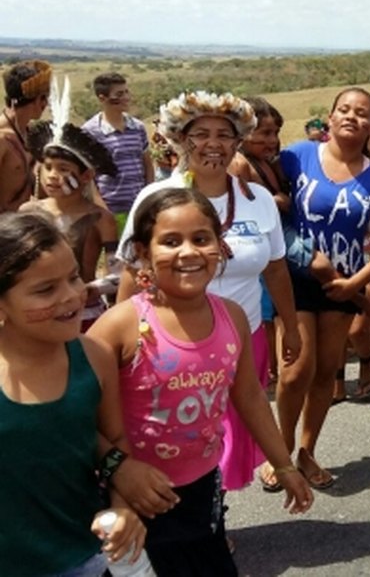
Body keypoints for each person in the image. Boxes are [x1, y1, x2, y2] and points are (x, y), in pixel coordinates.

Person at [91, 187, 313, 575]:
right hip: (135, 497)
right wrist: (119, 471)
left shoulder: (232, 317)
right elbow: (75, 417)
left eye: (201, 238)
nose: (188, 252)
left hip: (204, 490)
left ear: (220, 246)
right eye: (170, 241)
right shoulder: (120, 327)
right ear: (143, 251)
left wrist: (284, 465)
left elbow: (249, 396)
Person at [114, 90, 302, 494]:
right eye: (201, 134)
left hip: (243, 335)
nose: (213, 144)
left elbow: (275, 267)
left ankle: (214, 515)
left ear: (238, 143)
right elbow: (132, 272)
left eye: (225, 134)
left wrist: (291, 324)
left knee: (231, 430)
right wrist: (122, 340)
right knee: (180, 432)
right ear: (181, 139)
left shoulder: (259, 200)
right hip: (168, 343)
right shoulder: (154, 198)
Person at [0, 212, 146, 577]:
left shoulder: (94, 356)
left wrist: (123, 503)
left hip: (85, 557)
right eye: (45, 289)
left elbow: (113, 441)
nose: (71, 296)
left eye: (74, 277)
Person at [276, 87, 370, 489]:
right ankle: (280, 454)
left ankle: (307, 451)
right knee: (296, 371)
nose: (352, 116)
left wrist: (356, 284)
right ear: (329, 118)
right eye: (344, 110)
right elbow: (268, 204)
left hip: (342, 288)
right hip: (295, 280)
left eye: (362, 113)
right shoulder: (296, 156)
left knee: (325, 374)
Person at [23, 114, 119, 330]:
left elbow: (117, 276)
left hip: (85, 315)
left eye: (63, 168)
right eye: (47, 167)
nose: (52, 176)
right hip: (39, 314)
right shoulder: (28, 213)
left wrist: (90, 290)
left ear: (86, 176)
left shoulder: (101, 219)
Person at [228, 96, 292, 386]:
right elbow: (244, 206)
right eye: (265, 133)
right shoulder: (240, 165)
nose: (273, 140)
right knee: (264, 316)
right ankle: (269, 371)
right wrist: (278, 200)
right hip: (257, 252)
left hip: (272, 246)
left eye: (276, 133)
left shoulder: (266, 163)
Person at [82, 73, 153, 232]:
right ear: (102, 98)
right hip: (110, 208)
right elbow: (88, 176)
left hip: (139, 205)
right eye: (119, 94)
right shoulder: (90, 132)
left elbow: (147, 164)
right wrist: (101, 207)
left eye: (126, 92)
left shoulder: (138, 127)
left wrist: (148, 197)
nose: (126, 97)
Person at [0, 60, 51, 212]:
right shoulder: (2, 139)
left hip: (21, 226)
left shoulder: (32, 135)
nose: (46, 104)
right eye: (44, 97)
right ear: (38, 99)